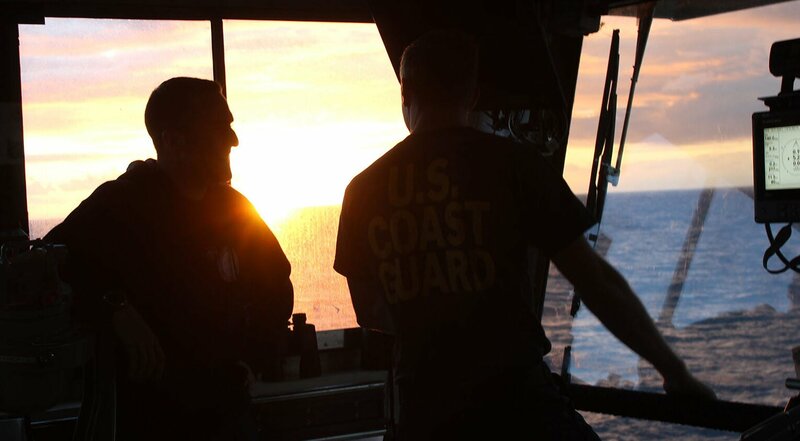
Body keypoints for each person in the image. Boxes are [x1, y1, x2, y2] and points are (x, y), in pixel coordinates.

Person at [333, 31, 716, 440]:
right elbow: (596, 282)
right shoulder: (515, 167)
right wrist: (675, 372)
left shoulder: (363, 190)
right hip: (518, 408)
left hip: (423, 415)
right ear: (473, 96)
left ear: (406, 92)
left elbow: (369, 311)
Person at [46, 77, 293, 440]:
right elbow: (48, 268)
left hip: (225, 415)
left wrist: (253, 356)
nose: (234, 140)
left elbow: (277, 285)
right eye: (219, 128)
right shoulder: (119, 206)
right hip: (146, 420)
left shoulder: (235, 209)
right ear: (173, 141)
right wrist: (114, 307)